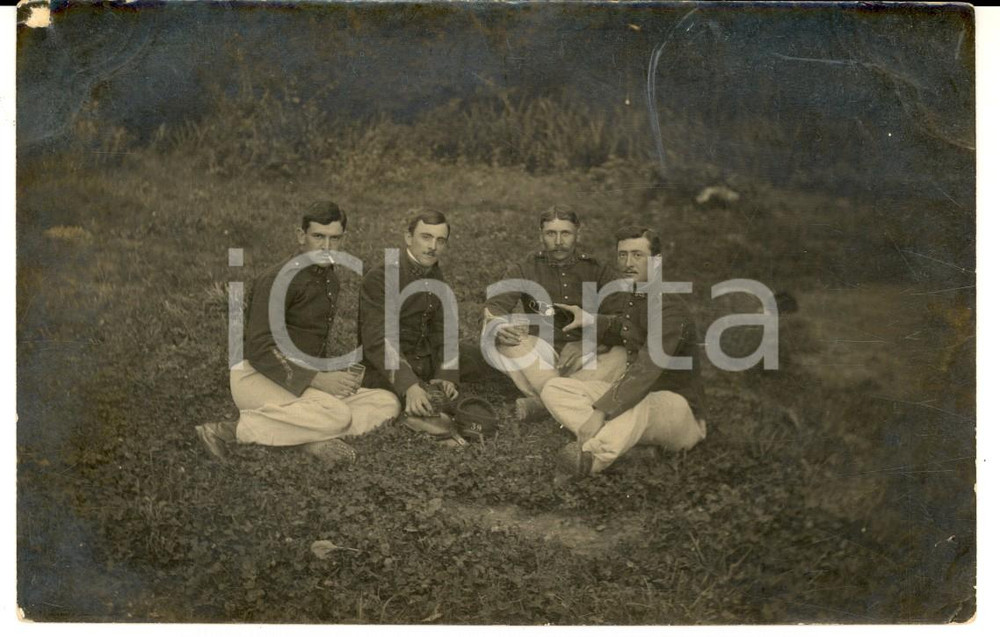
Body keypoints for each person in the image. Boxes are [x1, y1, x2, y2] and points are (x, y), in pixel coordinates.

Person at [195, 201, 401, 465]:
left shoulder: (330, 279)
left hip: (301, 377)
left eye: (335, 238)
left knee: (386, 402)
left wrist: (328, 376)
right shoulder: (277, 279)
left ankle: (304, 440)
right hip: (257, 375)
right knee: (338, 415)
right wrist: (317, 380)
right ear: (301, 236)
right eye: (318, 237)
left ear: (344, 239)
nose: (326, 247)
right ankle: (227, 431)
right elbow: (259, 348)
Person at [540, 226, 707, 481]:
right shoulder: (637, 295)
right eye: (622, 255)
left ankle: (591, 459)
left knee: (633, 400)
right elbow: (625, 329)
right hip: (638, 404)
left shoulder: (670, 308)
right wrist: (589, 320)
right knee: (555, 388)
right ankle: (628, 449)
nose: (628, 263)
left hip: (678, 412)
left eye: (638, 255)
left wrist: (600, 412)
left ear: (657, 261)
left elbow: (646, 370)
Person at [483, 205, 627, 422]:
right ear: (540, 235)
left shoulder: (598, 269)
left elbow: (621, 317)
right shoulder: (525, 268)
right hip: (542, 353)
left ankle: (543, 403)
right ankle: (564, 396)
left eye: (565, 233)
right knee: (502, 339)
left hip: (588, 355)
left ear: (578, 232)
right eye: (551, 233)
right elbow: (495, 305)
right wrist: (500, 326)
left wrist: (588, 343)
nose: (559, 241)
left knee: (623, 353)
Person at [358, 208, 495, 420]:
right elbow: (378, 341)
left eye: (440, 240)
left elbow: (442, 331)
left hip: (425, 358)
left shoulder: (433, 273)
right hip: (387, 366)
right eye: (426, 237)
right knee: (428, 404)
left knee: (490, 358)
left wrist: (446, 374)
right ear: (408, 237)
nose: (433, 247)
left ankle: (536, 396)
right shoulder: (381, 277)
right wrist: (409, 385)